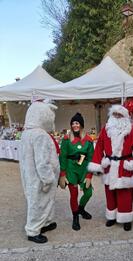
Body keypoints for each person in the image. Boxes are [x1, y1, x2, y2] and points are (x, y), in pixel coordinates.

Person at [88, 104, 133, 231]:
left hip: (125, 165)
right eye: (115, 114)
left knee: (125, 194)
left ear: (125, 116)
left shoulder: (131, 129)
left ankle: (126, 218)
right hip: (110, 165)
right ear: (111, 115)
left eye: (120, 114)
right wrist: (97, 163)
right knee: (110, 193)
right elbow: (99, 147)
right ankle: (111, 216)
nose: (117, 116)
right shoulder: (106, 129)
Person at [19, 101, 60, 244]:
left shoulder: (26, 134)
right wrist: (48, 179)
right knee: (38, 202)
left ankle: (46, 223)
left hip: (30, 176)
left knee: (40, 201)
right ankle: (33, 230)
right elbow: (42, 162)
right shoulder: (40, 135)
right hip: (40, 179)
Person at [59, 113, 94, 231]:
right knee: (74, 195)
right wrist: (63, 174)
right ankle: (75, 217)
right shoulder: (66, 139)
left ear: (81, 125)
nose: (75, 125)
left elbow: (91, 158)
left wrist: (89, 175)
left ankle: (81, 209)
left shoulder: (88, 140)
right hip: (70, 169)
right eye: (73, 123)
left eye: (77, 123)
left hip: (84, 169)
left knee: (88, 192)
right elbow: (62, 156)